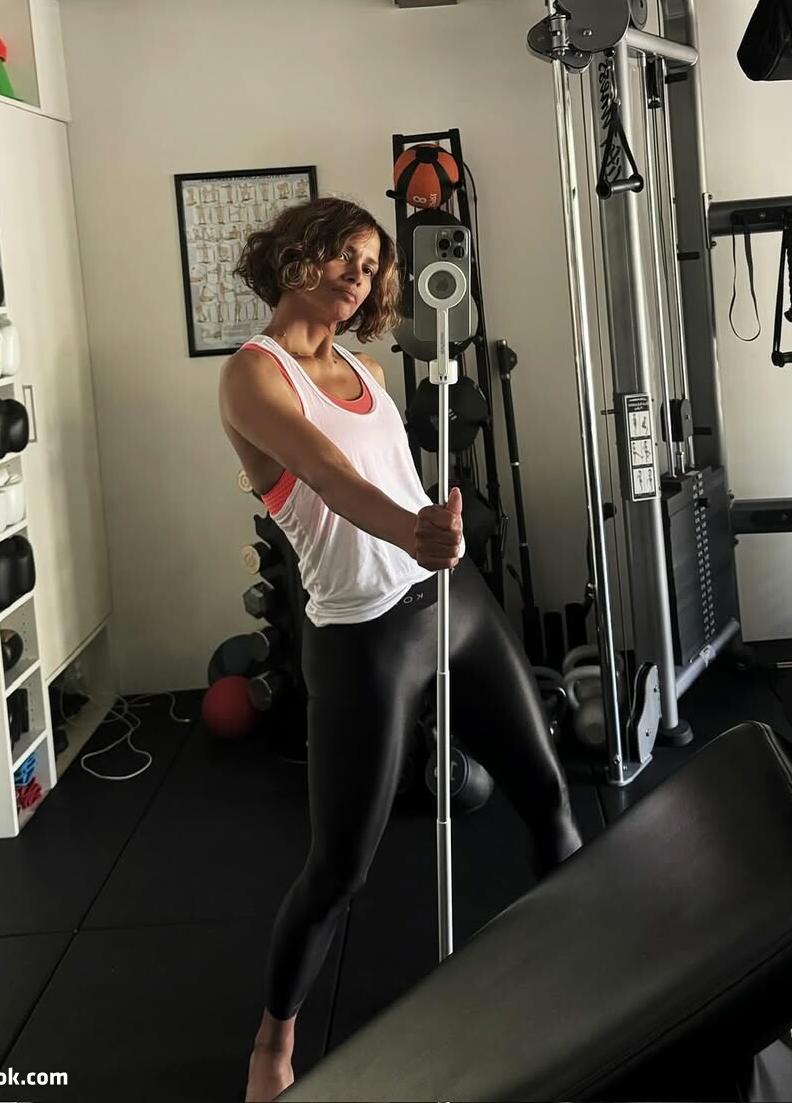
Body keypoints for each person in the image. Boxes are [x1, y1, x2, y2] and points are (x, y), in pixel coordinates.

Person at [219, 196, 582, 1102]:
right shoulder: (253, 376)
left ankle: (585, 978)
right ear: (297, 253)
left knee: (548, 797)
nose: (360, 273)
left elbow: (390, 472)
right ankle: (273, 1041)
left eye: (373, 263)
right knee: (339, 869)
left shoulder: (366, 367)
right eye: (344, 254)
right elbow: (329, 475)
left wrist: (435, 534)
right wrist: (414, 530)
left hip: (454, 606)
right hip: (362, 635)